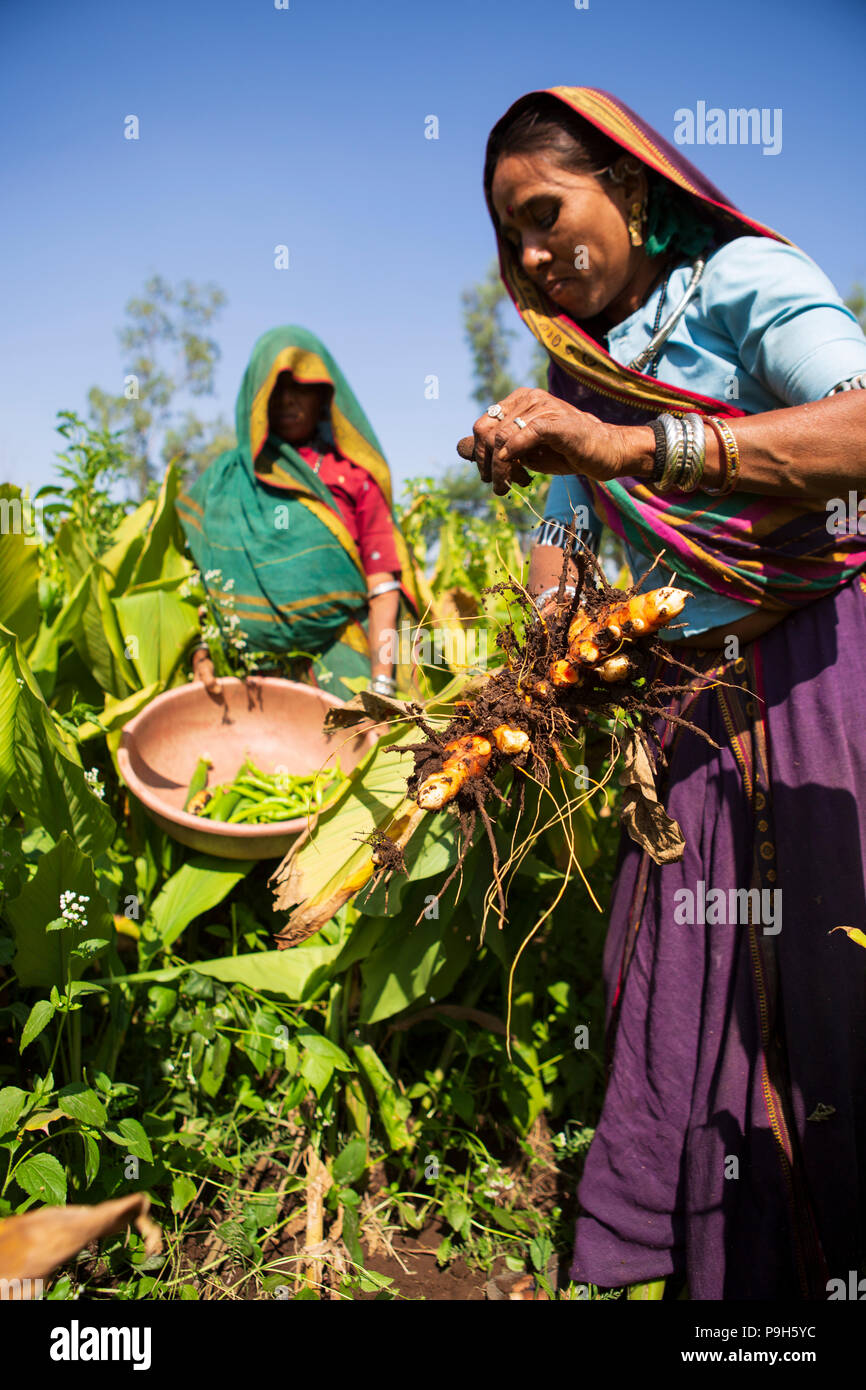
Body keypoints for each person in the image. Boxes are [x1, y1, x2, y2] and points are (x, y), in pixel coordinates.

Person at [469, 86, 866, 1300]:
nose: (532, 254)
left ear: (633, 191)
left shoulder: (741, 280)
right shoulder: (580, 364)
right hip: (675, 710)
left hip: (806, 673)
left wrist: (635, 448)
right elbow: (560, 518)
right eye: (510, 238)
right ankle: (716, 1269)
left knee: (820, 974)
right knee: (669, 982)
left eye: (547, 215)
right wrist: (547, 630)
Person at [176, 325, 421, 709]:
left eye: (301, 386)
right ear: (258, 397)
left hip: (343, 669)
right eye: (277, 387)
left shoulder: (353, 478)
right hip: (241, 685)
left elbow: (382, 589)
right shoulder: (224, 483)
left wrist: (380, 686)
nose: (288, 400)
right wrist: (200, 651)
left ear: (323, 394)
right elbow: (191, 582)